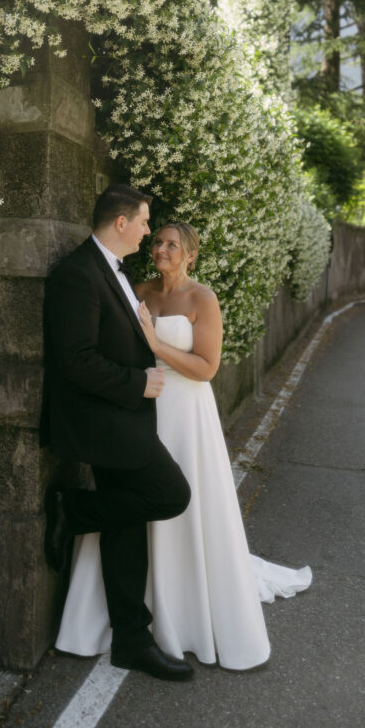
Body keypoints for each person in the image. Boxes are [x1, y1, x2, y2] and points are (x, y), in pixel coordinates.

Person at [55, 221, 312, 670]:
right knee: (139, 501)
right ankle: (129, 614)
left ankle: (183, 609)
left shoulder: (202, 299)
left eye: (172, 244)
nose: (161, 248)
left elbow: (207, 367)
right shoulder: (137, 290)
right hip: (140, 407)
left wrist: (156, 344)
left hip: (187, 410)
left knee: (180, 499)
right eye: (157, 241)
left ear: (190, 254)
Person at [40, 185, 194, 681]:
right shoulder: (77, 274)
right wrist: (138, 382)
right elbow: (74, 359)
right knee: (171, 494)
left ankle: (131, 640)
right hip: (105, 422)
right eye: (146, 222)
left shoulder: (116, 271)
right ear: (121, 223)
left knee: (126, 529)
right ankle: (72, 509)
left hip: (125, 417)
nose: (150, 231)